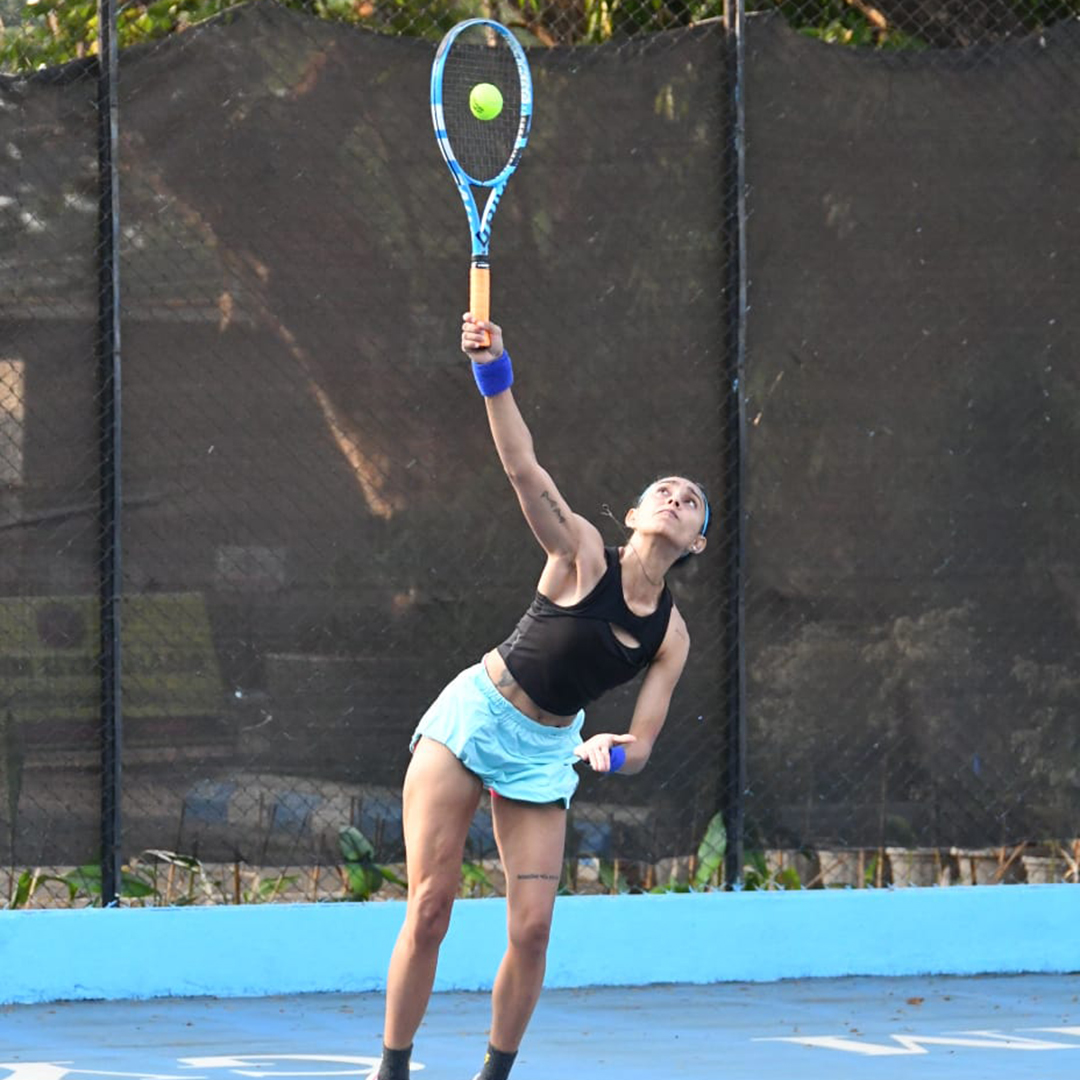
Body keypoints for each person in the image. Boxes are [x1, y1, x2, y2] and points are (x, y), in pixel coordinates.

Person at [375, 314, 710, 1080]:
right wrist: (493, 372)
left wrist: (610, 748)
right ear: (630, 517)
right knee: (431, 907)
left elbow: (643, 745)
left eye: (690, 501)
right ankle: (391, 1068)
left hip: (546, 754)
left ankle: (494, 1074)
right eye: (661, 491)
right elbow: (524, 469)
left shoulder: (671, 636)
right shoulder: (581, 550)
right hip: (473, 719)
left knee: (531, 931)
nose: (673, 497)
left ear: (694, 544)